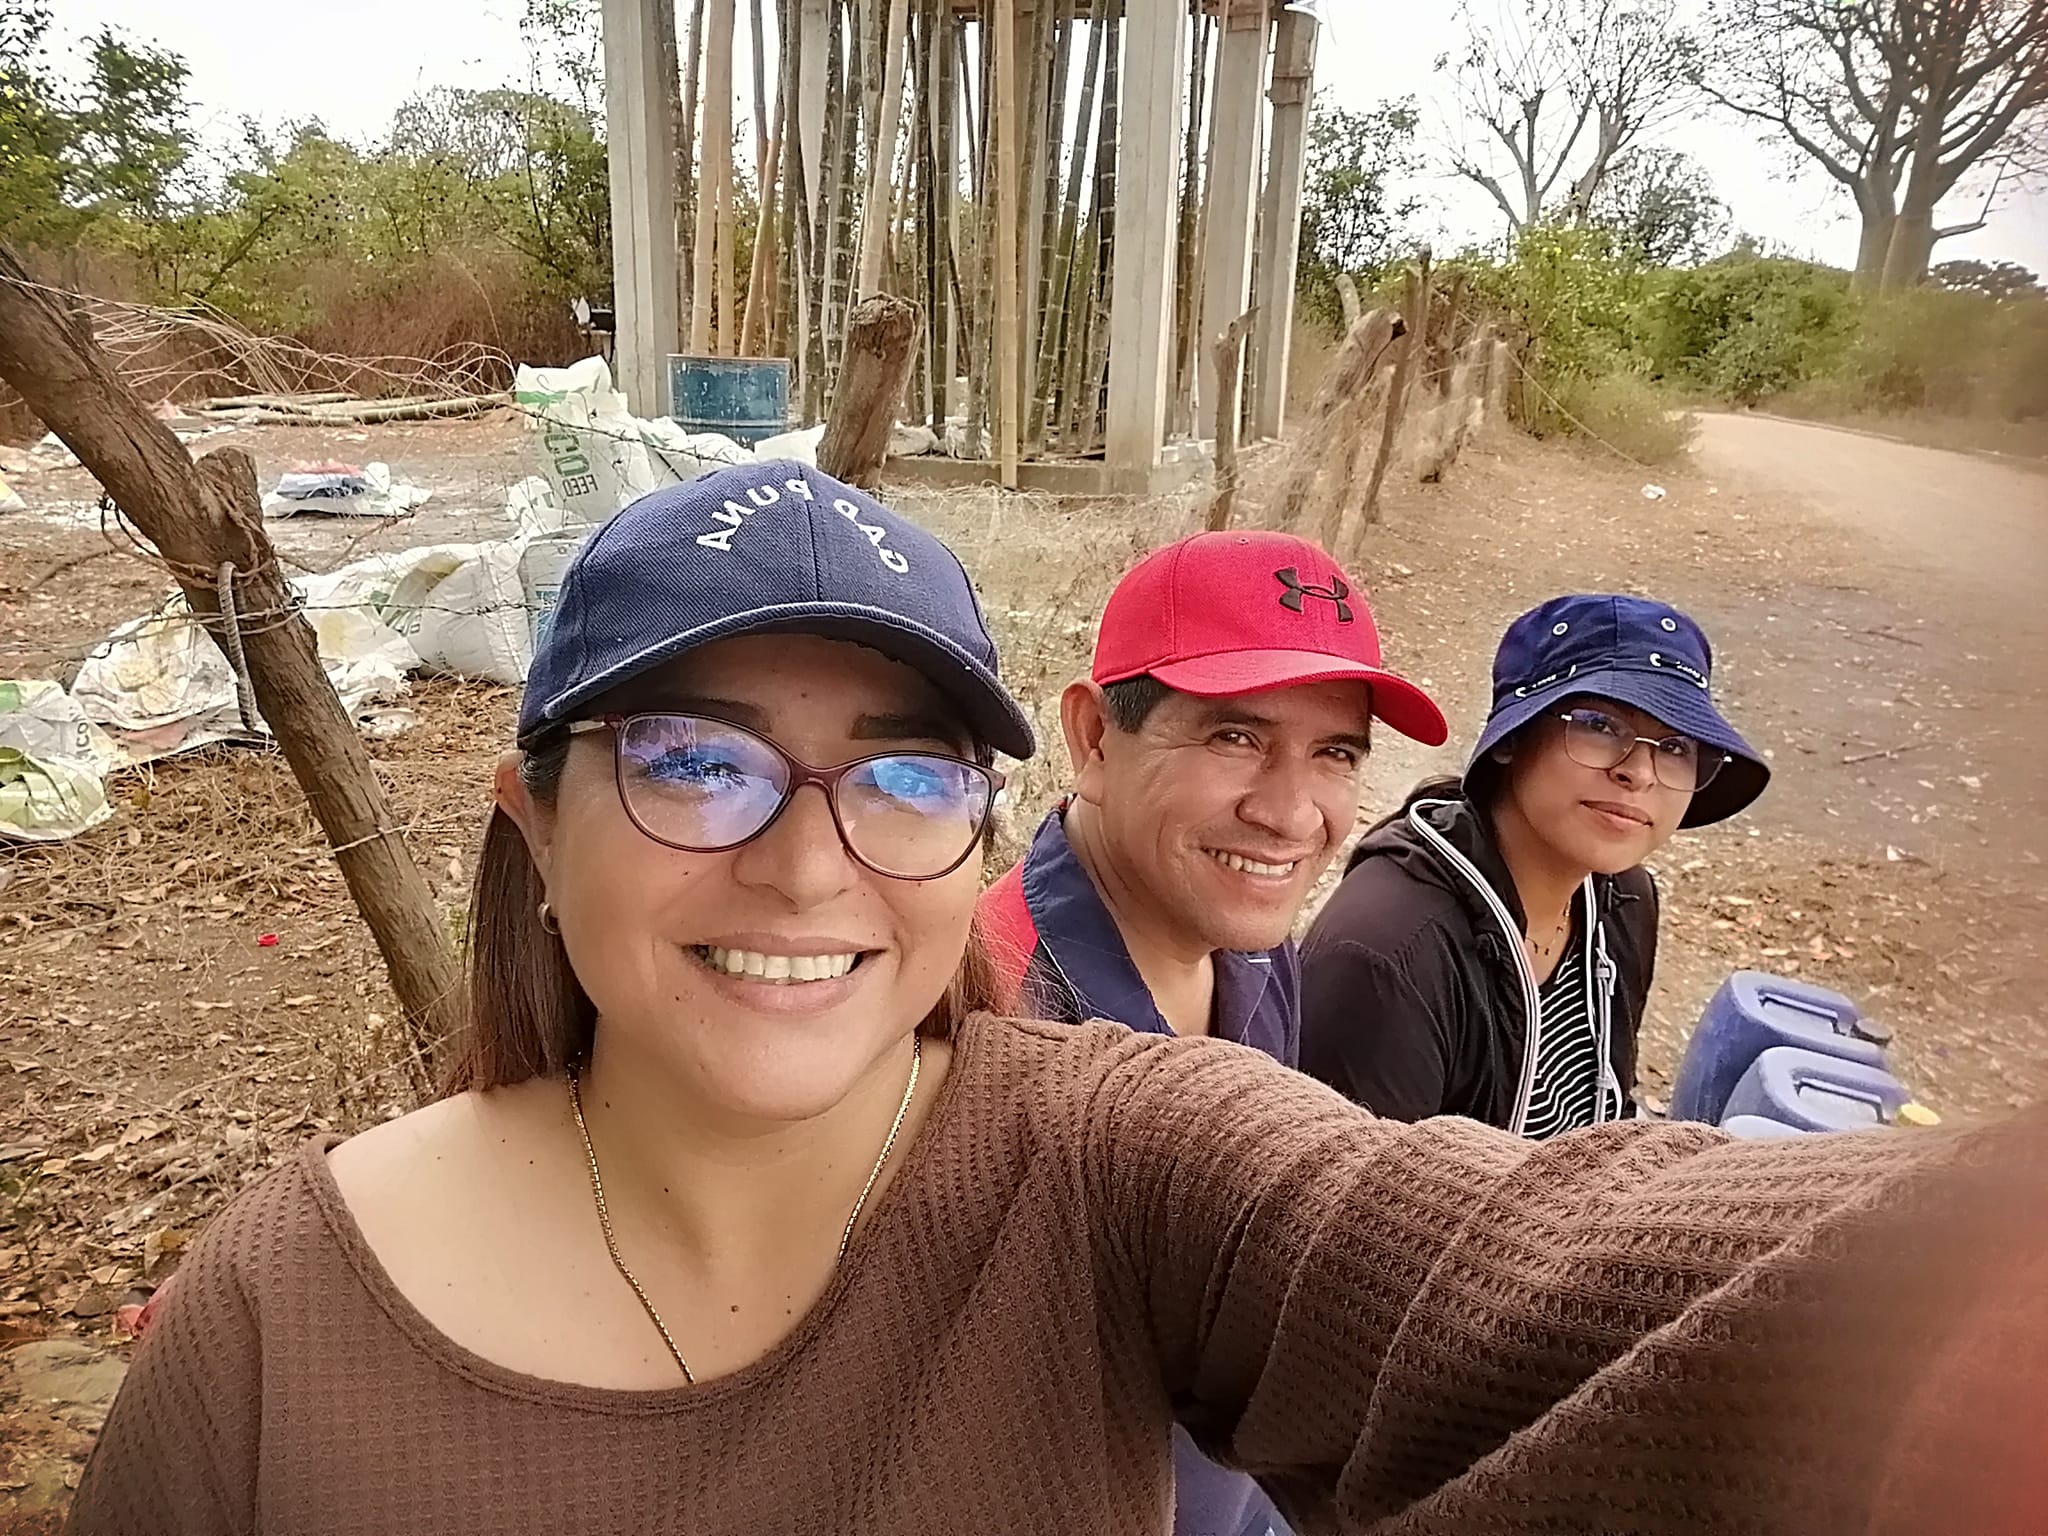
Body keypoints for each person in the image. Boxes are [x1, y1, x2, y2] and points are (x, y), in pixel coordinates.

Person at [68, 469, 2036, 1535]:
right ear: (531, 813)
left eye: (905, 774)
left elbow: (1519, 1277)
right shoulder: (275, 1327)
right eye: (694, 760)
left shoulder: (1113, 1155)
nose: (807, 864)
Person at [978, 529, 1447, 1536]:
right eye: (1234, 737)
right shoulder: (994, 1029)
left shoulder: (1251, 948)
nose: (1290, 815)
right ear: (1093, 738)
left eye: (1334, 754)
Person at [1298, 593, 1770, 1134]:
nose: (1639, 773)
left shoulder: (1622, 898)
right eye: (1599, 725)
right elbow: (1365, 1184)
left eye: (1676, 746)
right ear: (1512, 739)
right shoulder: (1390, 951)